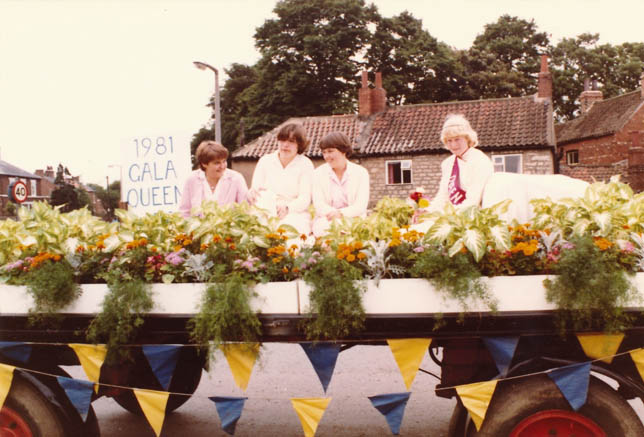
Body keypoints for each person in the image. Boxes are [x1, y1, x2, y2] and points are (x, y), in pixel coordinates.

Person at [248, 123, 314, 235]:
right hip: (266, 209)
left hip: (294, 213)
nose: (285, 145)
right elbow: (256, 190)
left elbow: (305, 198)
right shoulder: (265, 161)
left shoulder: (305, 164)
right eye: (282, 140)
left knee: (287, 233)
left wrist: (287, 208)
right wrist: (252, 192)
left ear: (300, 144)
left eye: (291, 141)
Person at [429, 114, 494, 212]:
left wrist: (445, 215)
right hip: (453, 215)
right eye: (449, 140)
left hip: (477, 216)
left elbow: (473, 202)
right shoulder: (447, 163)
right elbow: (443, 196)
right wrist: (427, 211)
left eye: (457, 139)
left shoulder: (480, 161)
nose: (453, 145)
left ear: (468, 138)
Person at [312, 132, 370, 237]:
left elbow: (361, 205)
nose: (327, 156)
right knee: (327, 232)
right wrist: (334, 215)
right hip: (326, 219)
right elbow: (319, 204)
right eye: (324, 152)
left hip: (354, 219)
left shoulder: (361, 173)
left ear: (343, 150)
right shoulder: (318, 174)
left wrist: (341, 214)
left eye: (330, 151)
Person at [178, 140, 248, 217]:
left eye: (224, 161)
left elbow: (245, 210)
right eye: (217, 163)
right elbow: (184, 212)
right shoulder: (191, 180)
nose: (222, 166)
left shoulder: (236, 179)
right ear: (204, 164)